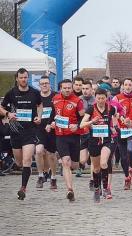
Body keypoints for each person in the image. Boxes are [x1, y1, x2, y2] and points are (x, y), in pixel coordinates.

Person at [0, 68, 42, 200]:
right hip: (15, 131)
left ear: (28, 78)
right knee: (19, 162)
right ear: (17, 79)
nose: (24, 80)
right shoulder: (11, 93)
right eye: (21, 78)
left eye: (26, 77)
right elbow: (1, 108)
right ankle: (21, 171)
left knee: (27, 160)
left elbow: (40, 105)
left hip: (30, 131)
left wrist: (39, 117)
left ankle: (23, 188)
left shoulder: (35, 92)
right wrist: (8, 114)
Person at [48, 79, 85, 202]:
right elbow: (52, 115)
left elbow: (84, 118)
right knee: (66, 161)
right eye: (65, 88)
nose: (67, 90)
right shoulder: (55, 99)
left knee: (73, 164)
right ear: (60, 88)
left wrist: (78, 125)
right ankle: (70, 190)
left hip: (74, 136)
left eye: (69, 88)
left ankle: (70, 168)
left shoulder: (77, 101)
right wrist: (50, 124)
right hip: (60, 135)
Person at [80, 88, 118, 202]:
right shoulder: (91, 109)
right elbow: (82, 125)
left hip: (106, 140)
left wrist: (114, 127)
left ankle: (106, 188)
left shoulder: (110, 108)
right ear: (95, 98)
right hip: (94, 141)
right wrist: (92, 121)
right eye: (98, 98)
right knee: (96, 169)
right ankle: (97, 189)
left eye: (103, 98)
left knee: (104, 163)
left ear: (106, 98)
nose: (101, 100)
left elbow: (116, 115)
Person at [35, 75, 58, 190]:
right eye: (42, 83)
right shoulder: (36, 96)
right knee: (39, 151)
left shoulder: (55, 96)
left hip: (52, 130)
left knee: (51, 155)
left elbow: (59, 111)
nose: (44, 85)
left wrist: (54, 122)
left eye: (46, 83)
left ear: (50, 85)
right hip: (39, 129)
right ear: (39, 85)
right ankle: (40, 176)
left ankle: (53, 177)